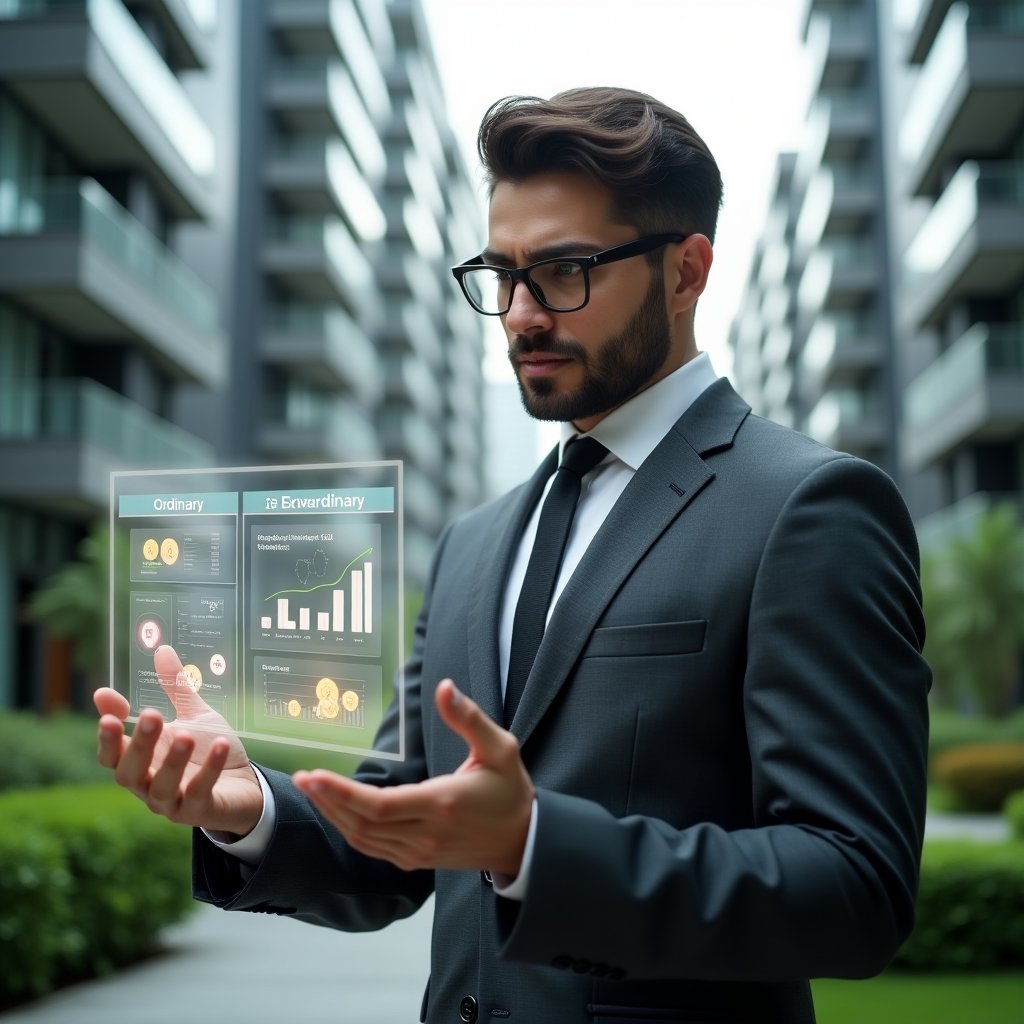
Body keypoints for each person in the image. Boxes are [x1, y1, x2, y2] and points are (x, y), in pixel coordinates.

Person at [95, 87, 930, 1024]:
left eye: (566, 270)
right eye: (503, 275)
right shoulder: (474, 542)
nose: (522, 314)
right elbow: (396, 829)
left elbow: (856, 888)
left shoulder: (809, 507)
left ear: (687, 270)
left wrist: (535, 846)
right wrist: (248, 806)